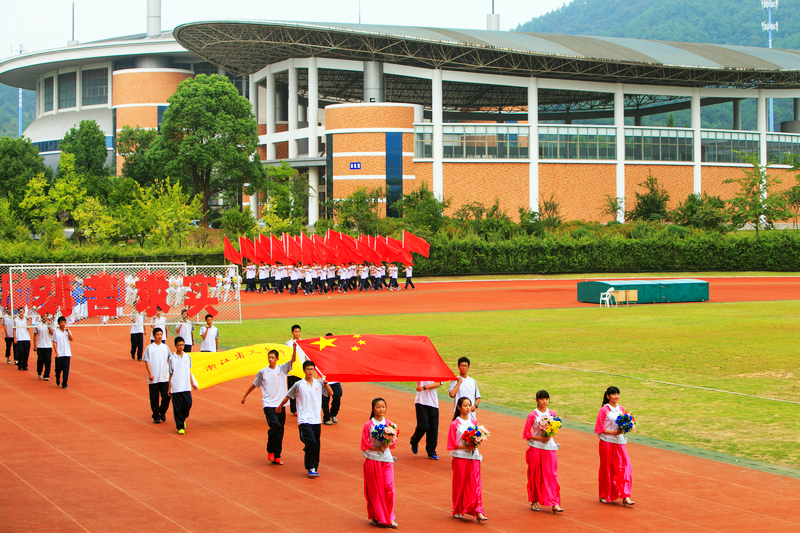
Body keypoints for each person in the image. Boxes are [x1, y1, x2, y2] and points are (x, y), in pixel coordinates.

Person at [241, 344, 299, 465]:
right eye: (269, 357)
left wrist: (294, 348)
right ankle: (270, 450)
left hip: (280, 405)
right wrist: (245, 395)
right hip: (268, 405)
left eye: (272, 357)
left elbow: (293, 360)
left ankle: (277, 455)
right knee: (276, 426)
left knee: (280, 430)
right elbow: (254, 384)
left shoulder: (282, 369)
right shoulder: (263, 372)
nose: (270, 359)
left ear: (277, 359)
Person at [276, 360, 332, 478]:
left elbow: (330, 393)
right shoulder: (299, 384)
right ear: (304, 371)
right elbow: (288, 396)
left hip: (316, 419)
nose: (310, 371)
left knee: (316, 444)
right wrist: (280, 407)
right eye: (308, 369)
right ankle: (310, 466)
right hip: (304, 419)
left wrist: (325, 382)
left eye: (312, 369)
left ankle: (314, 467)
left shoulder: (319, 384)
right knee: (311, 441)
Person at [523, 390, 564, 513]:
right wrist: (541, 438)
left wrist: (550, 434)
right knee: (535, 474)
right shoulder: (532, 415)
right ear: (537, 400)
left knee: (551, 474)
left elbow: (555, 428)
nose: (545, 401)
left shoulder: (552, 413)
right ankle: (534, 500)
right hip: (536, 447)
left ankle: (554, 502)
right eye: (542, 399)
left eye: (547, 399)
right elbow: (527, 434)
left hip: (549, 447)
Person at [447, 397, 487, 522]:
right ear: (459, 407)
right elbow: (452, 444)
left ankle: (478, 510)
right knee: (461, 484)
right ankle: (459, 508)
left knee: (475, 483)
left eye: (469, 405)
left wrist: (476, 443)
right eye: (465, 405)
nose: (468, 408)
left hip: (474, 456)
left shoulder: (474, 422)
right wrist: (466, 446)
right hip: (460, 457)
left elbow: (478, 438)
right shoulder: (455, 424)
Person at [594, 386, 634, 507]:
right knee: (607, 468)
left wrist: (627, 428)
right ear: (608, 396)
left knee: (624, 467)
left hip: (619, 442)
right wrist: (614, 433)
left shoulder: (621, 408)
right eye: (613, 394)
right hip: (606, 442)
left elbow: (624, 422)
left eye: (618, 394)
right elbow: (599, 428)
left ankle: (625, 495)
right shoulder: (604, 410)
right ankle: (605, 494)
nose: (616, 396)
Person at [361, 398, 398, 528]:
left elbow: (394, 441)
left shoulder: (390, 425)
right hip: (372, 460)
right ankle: (377, 516)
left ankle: (389, 516)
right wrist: (378, 448)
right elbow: (364, 444)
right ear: (373, 409)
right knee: (375, 490)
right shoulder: (368, 425)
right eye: (378, 407)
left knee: (389, 488)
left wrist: (387, 443)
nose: (381, 409)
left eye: (383, 407)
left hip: (387, 459)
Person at [168, 336, 198, 435]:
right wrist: (169, 387)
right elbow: (171, 373)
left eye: (182, 345)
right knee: (177, 408)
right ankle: (180, 426)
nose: (181, 347)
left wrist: (193, 382)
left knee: (187, 404)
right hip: (176, 387)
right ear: (175, 346)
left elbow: (188, 370)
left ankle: (183, 418)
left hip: (186, 386)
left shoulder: (187, 357)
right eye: (179, 345)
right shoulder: (172, 358)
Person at [143, 328, 171, 423]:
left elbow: (170, 360)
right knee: (154, 398)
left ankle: (162, 411)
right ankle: (156, 416)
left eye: (161, 334)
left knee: (166, 396)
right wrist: (150, 373)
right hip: (153, 377)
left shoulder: (165, 347)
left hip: (164, 377)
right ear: (154, 335)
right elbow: (147, 361)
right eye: (157, 334)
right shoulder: (150, 348)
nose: (159, 336)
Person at [410, 380, 441, 460]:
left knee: (433, 428)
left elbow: (438, 383)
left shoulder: (435, 371)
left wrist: (424, 387)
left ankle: (431, 451)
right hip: (421, 402)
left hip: (433, 403)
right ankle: (414, 441)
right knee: (423, 426)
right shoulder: (420, 370)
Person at [285, 324, 307, 416]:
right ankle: (294, 410)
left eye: (299, 331)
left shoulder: (304, 343)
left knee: (302, 389)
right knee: (292, 389)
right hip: (292, 369)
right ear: (292, 332)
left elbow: (306, 355)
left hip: (301, 370)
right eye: (296, 331)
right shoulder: (288, 343)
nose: (297, 333)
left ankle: (302, 407)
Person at [321, 332, 343, 426]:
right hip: (325, 380)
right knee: (325, 400)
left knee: (337, 396)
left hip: (335, 379)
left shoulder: (337, 351)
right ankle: (326, 418)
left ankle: (333, 414)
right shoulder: (321, 352)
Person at [51, 316, 73, 389]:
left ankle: (64, 383)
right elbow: (54, 342)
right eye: (61, 322)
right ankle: (57, 377)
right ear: (58, 323)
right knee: (58, 369)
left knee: (66, 368)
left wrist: (68, 332)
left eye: (64, 322)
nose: (63, 324)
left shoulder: (67, 331)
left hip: (67, 353)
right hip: (59, 353)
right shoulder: (56, 332)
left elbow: (72, 339)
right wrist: (56, 352)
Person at [34, 312, 54, 381]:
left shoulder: (50, 324)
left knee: (48, 361)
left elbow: (53, 334)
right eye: (43, 316)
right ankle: (39, 371)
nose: (44, 318)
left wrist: (49, 327)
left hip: (48, 345)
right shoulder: (37, 324)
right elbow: (35, 335)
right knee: (40, 360)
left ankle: (46, 375)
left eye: (45, 316)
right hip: (40, 345)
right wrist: (35, 345)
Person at [13, 307, 31, 371]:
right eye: (20, 312)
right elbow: (14, 329)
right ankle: (20, 363)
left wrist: (28, 322)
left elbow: (29, 329)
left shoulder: (26, 319)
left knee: (26, 353)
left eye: (22, 312)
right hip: (19, 338)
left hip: (26, 338)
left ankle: (25, 365)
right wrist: (14, 338)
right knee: (21, 352)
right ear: (18, 313)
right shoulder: (15, 320)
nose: (21, 313)